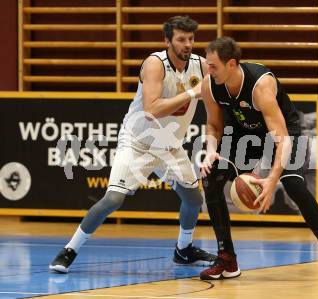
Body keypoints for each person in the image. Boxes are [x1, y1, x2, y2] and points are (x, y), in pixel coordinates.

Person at [49, 16, 216, 273]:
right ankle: (69, 250)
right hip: (138, 142)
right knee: (113, 199)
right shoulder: (155, 64)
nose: (187, 44)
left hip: (170, 146)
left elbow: (225, 77)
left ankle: (184, 250)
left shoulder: (200, 65)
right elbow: (152, 109)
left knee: (194, 199)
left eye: (191, 39)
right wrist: (194, 93)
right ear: (167, 41)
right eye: (181, 39)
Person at [198, 36, 318, 282]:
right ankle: (227, 257)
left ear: (232, 64)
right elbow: (214, 125)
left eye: (213, 65)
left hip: (283, 133)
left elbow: (283, 140)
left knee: (294, 184)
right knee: (211, 178)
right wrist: (211, 150)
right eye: (208, 65)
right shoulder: (210, 84)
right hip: (242, 133)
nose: (208, 70)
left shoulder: (260, 86)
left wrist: (271, 180)